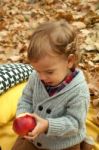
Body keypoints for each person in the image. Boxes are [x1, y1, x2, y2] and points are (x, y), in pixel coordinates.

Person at [12, 20, 93, 150]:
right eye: (37, 70)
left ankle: (85, 143)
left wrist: (48, 125)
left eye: (49, 71)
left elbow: (75, 123)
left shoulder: (79, 91)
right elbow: (26, 98)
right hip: (34, 138)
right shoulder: (36, 77)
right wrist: (23, 115)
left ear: (69, 61)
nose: (42, 77)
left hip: (64, 144)